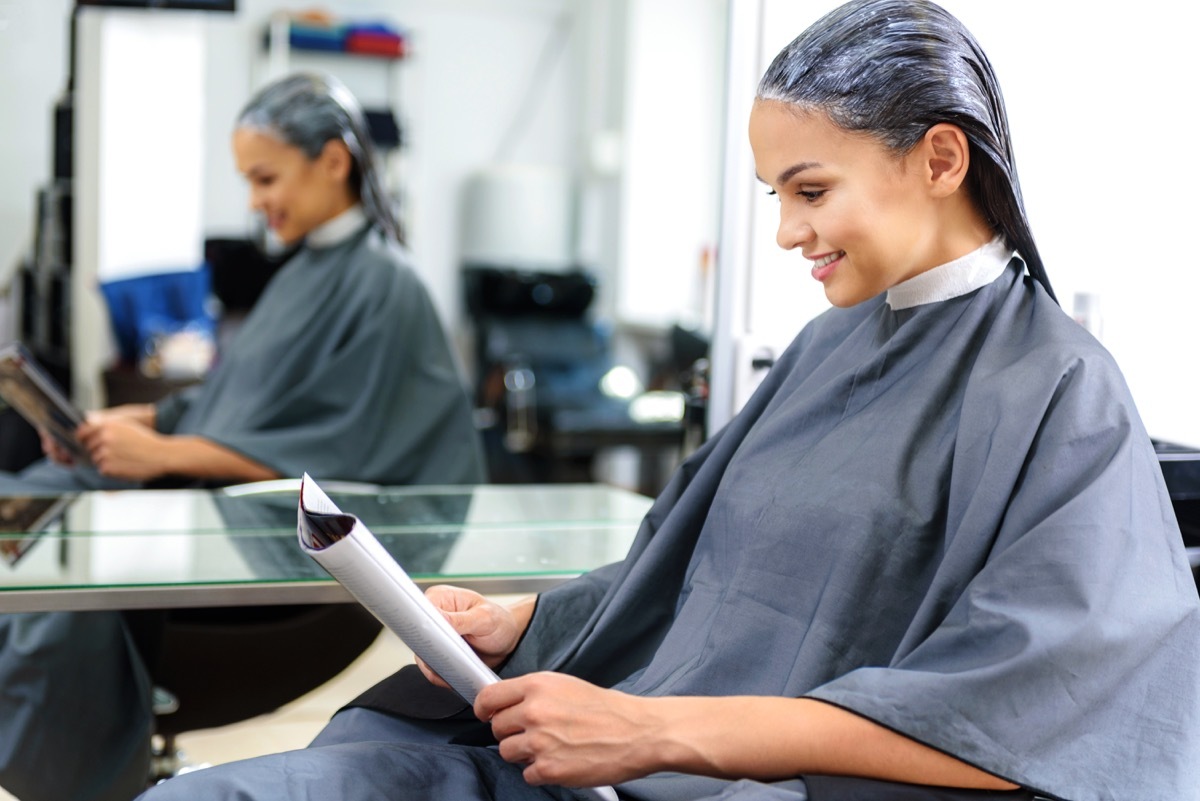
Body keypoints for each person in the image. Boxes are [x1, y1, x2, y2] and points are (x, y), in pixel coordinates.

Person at [138, 3, 1200, 800]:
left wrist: (662, 734)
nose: (788, 233)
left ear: (938, 158)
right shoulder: (825, 349)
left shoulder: (1061, 392)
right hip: (602, 754)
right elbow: (689, 567)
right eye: (776, 196)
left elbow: (1037, 714)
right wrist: (523, 624)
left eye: (812, 190)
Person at [0, 72, 486, 801]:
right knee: (29, 501)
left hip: (278, 551)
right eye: (248, 181)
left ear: (332, 161)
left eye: (266, 177)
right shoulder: (307, 271)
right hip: (221, 508)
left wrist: (164, 454)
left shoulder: (387, 287)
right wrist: (147, 421)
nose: (256, 201)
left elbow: (342, 449)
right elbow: (253, 398)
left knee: (65, 539)